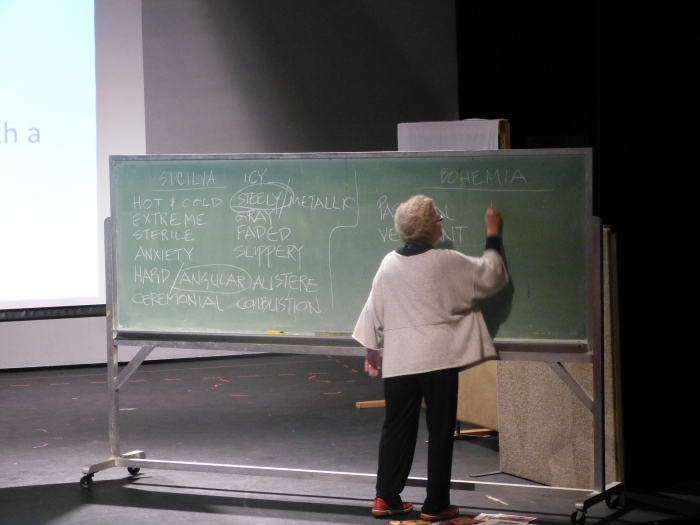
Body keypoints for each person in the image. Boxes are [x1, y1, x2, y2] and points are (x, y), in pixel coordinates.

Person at [353, 195, 509, 522]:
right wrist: (493, 233)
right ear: (428, 227)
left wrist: (372, 349)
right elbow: (492, 276)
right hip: (438, 359)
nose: (441, 223)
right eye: (438, 218)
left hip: (399, 360)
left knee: (396, 428)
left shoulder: (389, 263)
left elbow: (373, 309)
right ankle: (436, 504)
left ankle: (385, 497)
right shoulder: (446, 260)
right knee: (440, 431)